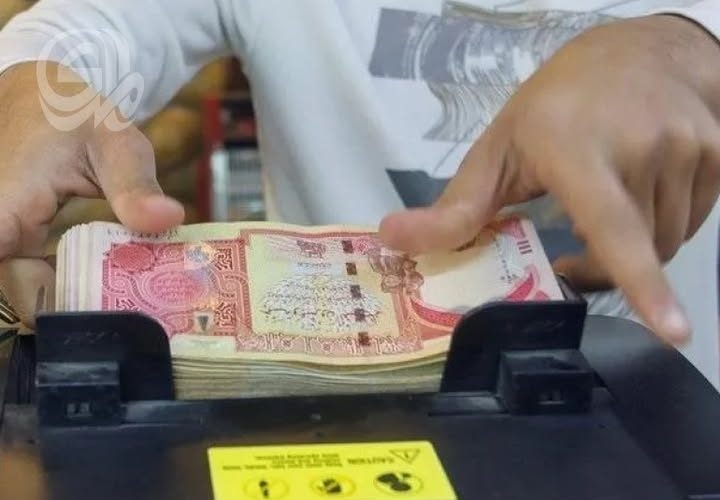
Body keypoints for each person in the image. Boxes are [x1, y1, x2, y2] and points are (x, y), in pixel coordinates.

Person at [0, 0, 718, 386]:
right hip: (327, 418)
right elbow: (86, 27)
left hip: (662, 395)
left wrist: (683, 45)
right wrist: (33, 85)